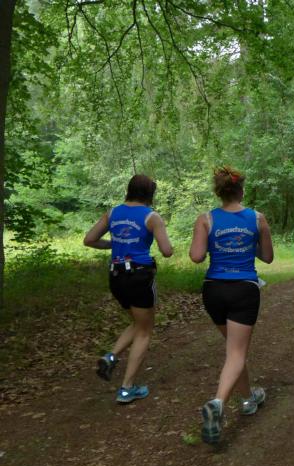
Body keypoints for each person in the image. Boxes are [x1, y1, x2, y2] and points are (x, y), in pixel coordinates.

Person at [189, 166, 274, 444]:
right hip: (243, 289)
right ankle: (218, 403)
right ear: (241, 191)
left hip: (213, 289)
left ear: (219, 192)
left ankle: (248, 398)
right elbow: (268, 257)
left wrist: (215, 244)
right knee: (236, 352)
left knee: (234, 350)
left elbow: (196, 256)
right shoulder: (257, 218)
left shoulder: (206, 219)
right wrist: (249, 245)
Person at [84, 174, 174, 403]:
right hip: (139, 276)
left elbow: (89, 239)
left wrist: (114, 244)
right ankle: (126, 388)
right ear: (150, 193)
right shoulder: (152, 217)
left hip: (116, 276)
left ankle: (111, 357)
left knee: (137, 323)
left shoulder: (113, 213)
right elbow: (167, 251)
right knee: (145, 330)